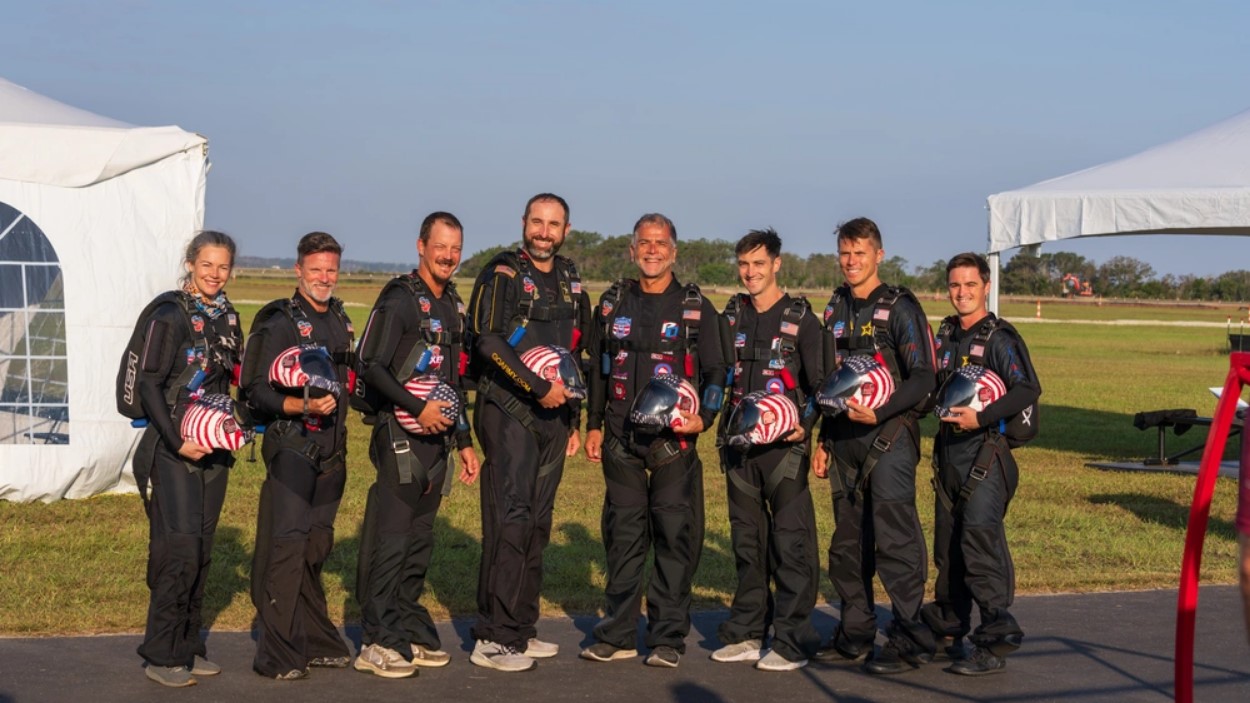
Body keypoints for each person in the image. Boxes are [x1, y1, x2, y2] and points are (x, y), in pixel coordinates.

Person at [579, 213, 726, 669]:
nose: (652, 250)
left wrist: (704, 418)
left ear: (674, 251)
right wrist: (595, 423)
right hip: (621, 440)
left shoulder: (697, 307)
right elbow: (600, 368)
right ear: (632, 249)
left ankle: (666, 638)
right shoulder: (613, 302)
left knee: (674, 540)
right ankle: (619, 633)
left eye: (661, 243)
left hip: (673, 445)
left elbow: (719, 372)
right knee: (622, 540)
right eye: (644, 242)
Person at [352, 212, 481, 678]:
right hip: (400, 438)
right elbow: (371, 364)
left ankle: (403, 626)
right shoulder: (400, 299)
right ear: (421, 246)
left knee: (418, 543)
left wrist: (464, 441)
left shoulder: (452, 304)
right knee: (390, 541)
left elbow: (450, 383)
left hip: (438, 445)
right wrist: (415, 407)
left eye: (456, 249)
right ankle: (375, 641)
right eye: (440, 247)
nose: (448, 256)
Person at [466, 193, 589, 672]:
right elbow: (488, 342)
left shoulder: (569, 277)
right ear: (523, 223)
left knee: (538, 524)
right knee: (510, 520)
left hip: (554, 419)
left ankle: (520, 627)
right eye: (536, 222)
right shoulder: (502, 272)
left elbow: (576, 349)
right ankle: (492, 637)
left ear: (566, 230)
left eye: (553, 224)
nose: (544, 231)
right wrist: (536, 387)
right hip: (510, 411)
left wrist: (575, 418)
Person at [812, 217, 937, 674]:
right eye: (845, 253)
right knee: (848, 544)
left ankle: (908, 637)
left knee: (894, 539)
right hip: (844, 439)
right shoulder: (835, 307)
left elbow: (925, 376)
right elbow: (831, 382)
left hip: (888, 437)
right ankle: (856, 632)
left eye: (860, 253)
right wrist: (824, 438)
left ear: (879, 255)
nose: (851, 262)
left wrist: (881, 412)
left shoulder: (900, 307)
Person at [130, 230, 243, 687]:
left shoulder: (228, 316)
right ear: (191, 263)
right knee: (179, 550)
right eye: (207, 265)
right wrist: (178, 441)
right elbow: (149, 385)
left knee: (202, 550)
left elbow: (229, 380)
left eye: (223, 267)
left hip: (212, 447)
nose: (215, 274)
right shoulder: (170, 313)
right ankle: (160, 653)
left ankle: (189, 645)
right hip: (174, 450)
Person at [921, 252, 1041, 675]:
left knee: (980, 545)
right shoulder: (947, 333)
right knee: (948, 547)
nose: (962, 293)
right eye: (955, 285)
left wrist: (984, 418)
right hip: (949, 455)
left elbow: (1028, 388)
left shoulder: (1000, 338)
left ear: (986, 286)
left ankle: (995, 641)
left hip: (987, 454)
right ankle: (950, 629)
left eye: (970, 285)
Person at [710, 229, 822, 672]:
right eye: (743, 264)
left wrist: (805, 427)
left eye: (759, 263)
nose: (750, 272)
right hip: (739, 450)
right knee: (747, 542)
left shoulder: (802, 320)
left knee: (790, 544)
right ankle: (747, 631)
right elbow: (714, 372)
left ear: (777, 264)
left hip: (784, 452)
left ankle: (793, 639)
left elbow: (820, 387)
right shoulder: (731, 315)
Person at [247, 232, 355, 680]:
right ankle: (278, 653)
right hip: (292, 446)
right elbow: (253, 390)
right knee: (287, 548)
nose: (324, 278)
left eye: (330, 269)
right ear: (298, 271)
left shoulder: (341, 318)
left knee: (315, 546)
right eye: (316, 270)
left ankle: (313, 638)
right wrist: (299, 406)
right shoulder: (277, 321)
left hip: (333, 451)